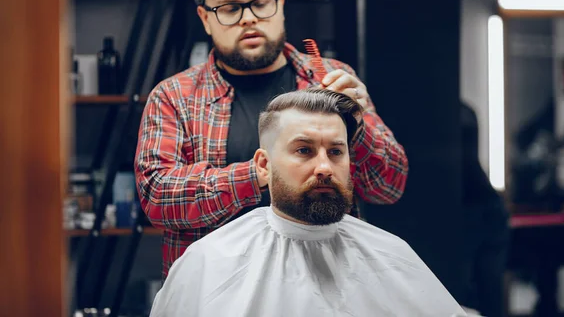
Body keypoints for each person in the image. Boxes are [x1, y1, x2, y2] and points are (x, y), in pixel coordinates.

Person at [134, 0, 409, 279]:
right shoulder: (174, 96)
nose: (249, 18)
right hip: (218, 288)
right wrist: (260, 174)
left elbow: (389, 187)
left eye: (261, 2)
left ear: (281, 4)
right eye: (230, 8)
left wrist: (358, 130)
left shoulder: (333, 78)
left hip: (326, 283)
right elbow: (157, 196)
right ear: (205, 18)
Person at [148, 89, 464, 317]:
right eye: (304, 150)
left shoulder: (391, 254)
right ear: (263, 165)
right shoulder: (210, 260)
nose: (325, 167)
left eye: (336, 152)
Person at [458, 101, 510, 317]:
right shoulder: (465, 112)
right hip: (479, 208)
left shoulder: (460, 115)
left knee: (485, 293)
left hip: (480, 210)